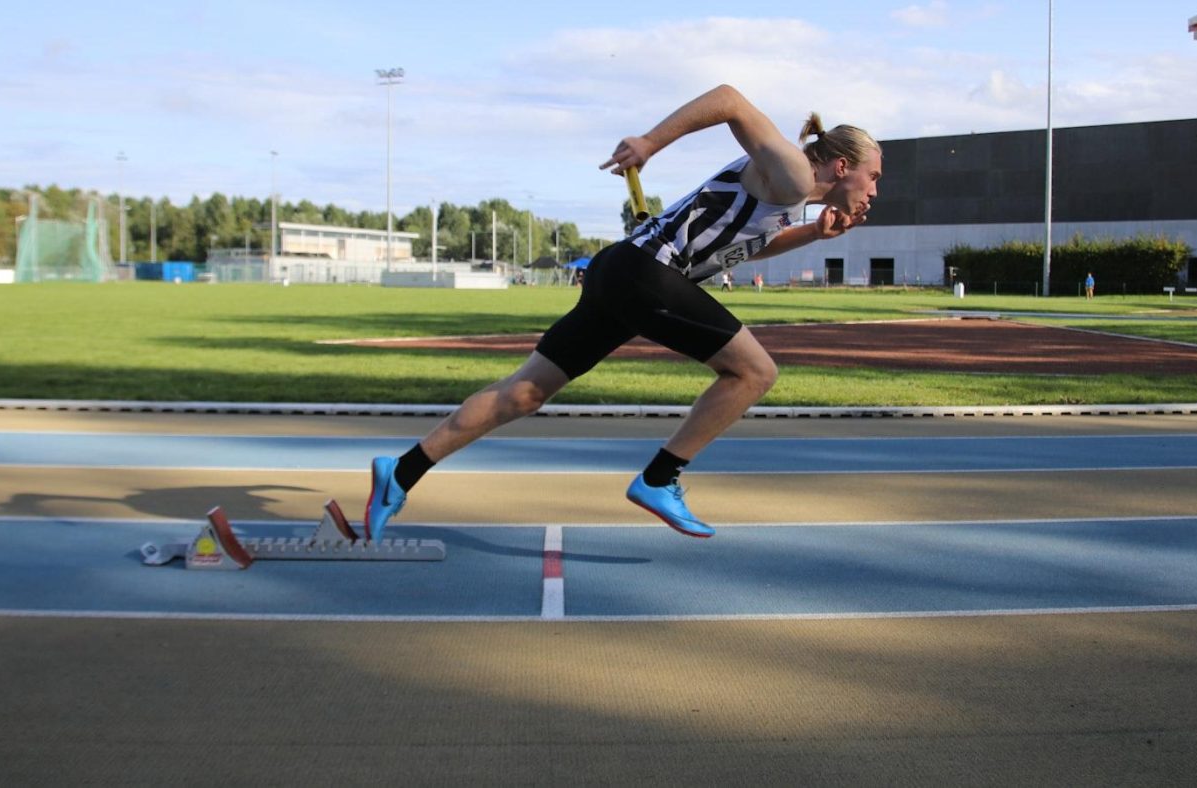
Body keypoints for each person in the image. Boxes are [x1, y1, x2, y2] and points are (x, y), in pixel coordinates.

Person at [366, 84, 880, 540]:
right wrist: (650, 142)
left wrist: (812, 233)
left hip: (623, 271)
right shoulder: (792, 172)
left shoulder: (791, 201)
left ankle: (402, 472)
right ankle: (660, 478)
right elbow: (729, 99)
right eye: (873, 176)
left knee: (523, 392)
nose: (875, 190)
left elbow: (733, 249)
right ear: (841, 167)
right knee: (754, 371)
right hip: (645, 273)